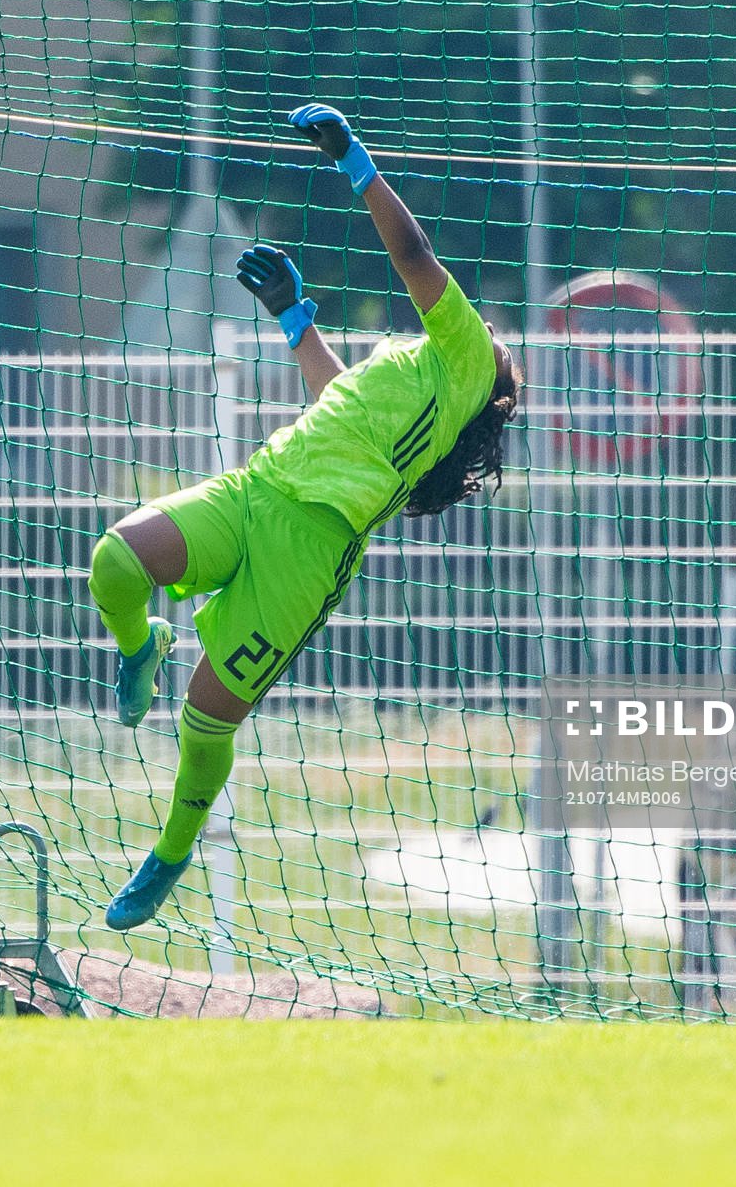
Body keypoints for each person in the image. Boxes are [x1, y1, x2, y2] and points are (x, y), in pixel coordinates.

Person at [88, 104, 522, 929]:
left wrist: (355, 159)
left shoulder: (465, 354)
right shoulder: (415, 365)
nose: (495, 329)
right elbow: (335, 401)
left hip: (309, 555)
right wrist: (295, 316)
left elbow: (413, 252)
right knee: (116, 561)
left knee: (205, 721)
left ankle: (173, 850)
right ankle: (144, 643)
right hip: (257, 488)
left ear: (491, 382)